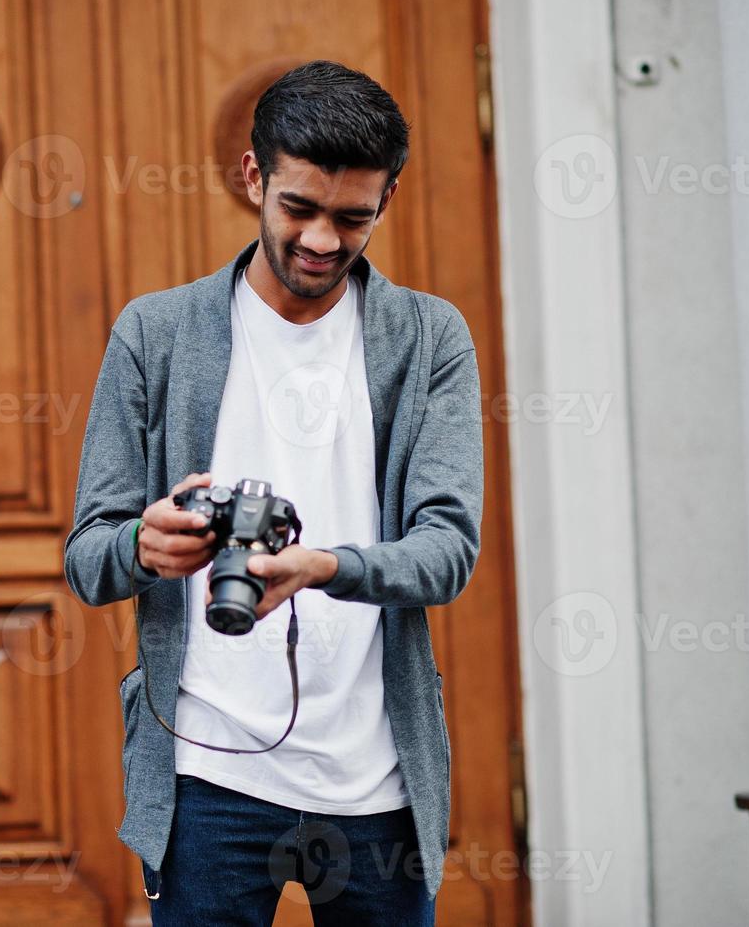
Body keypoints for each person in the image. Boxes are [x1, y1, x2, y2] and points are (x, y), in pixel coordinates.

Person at [63, 59, 483, 925]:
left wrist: (322, 566)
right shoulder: (155, 332)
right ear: (254, 177)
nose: (322, 240)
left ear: (388, 200)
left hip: (376, 778)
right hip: (205, 777)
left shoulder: (428, 339)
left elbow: (447, 554)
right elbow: (87, 559)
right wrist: (142, 547)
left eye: (352, 217)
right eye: (299, 208)